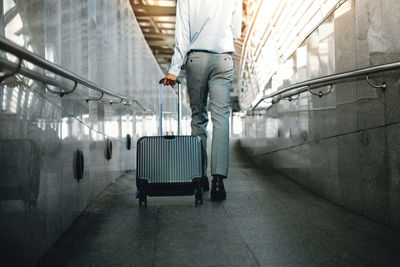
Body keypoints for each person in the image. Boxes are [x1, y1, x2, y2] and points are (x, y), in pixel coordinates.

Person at [163, 0, 242, 200]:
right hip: (223, 59)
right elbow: (237, 32)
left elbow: (182, 33)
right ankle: (218, 180)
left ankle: (200, 176)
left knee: (198, 118)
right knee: (221, 119)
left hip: (196, 59)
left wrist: (174, 69)